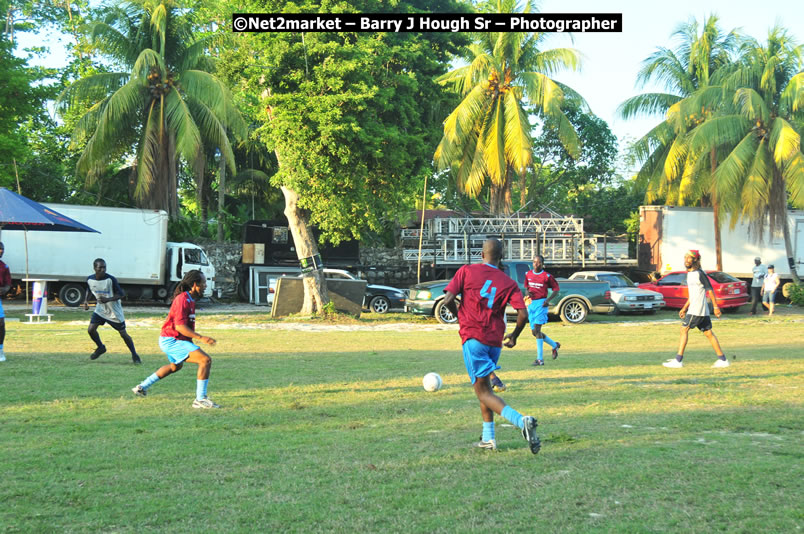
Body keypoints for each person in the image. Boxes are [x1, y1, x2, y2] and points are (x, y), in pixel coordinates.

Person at [442, 238, 541, 454]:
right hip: (494, 341)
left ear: (481, 255)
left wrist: (459, 316)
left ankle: (521, 421)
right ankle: (489, 438)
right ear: (501, 257)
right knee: (484, 387)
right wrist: (514, 335)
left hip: (473, 337)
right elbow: (523, 313)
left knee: (483, 392)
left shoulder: (467, 271)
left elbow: (448, 299)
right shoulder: (508, 282)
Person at [132, 270, 220, 408]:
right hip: (172, 339)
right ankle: (200, 399)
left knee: (174, 367)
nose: (206, 286)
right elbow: (180, 327)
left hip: (173, 339)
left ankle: (141, 387)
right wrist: (201, 338)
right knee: (205, 360)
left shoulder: (189, 299)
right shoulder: (182, 299)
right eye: (203, 283)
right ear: (195, 284)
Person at [663, 250, 729, 368]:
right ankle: (723, 360)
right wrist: (684, 308)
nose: (686, 260)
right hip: (697, 309)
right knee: (709, 333)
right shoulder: (690, 274)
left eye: (689, 258)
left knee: (684, 330)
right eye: (685, 257)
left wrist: (715, 307)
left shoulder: (700, 273)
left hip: (697, 310)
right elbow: (693, 294)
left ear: (695, 260)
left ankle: (678, 361)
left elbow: (710, 290)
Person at [83, 258, 141, 364]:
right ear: (94, 268)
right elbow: (89, 289)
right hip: (100, 310)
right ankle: (101, 348)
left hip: (114, 311)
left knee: (123, 334)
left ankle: (135, 355)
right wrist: (86, 301)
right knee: (91, 330)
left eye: (104, 267)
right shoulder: (90, 279)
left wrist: (108, 299)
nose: (103, 269)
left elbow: (121, 294)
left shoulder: (111, 279)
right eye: (100, 267)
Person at [523, 254, 560, 366]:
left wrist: (548, 300)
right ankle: (554, 345)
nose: (536, 264)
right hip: (531, 304)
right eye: (534, 262)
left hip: (541, 304)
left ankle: (540, 359)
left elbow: (556, 289)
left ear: (542, 264)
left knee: (538, 331)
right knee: (534, 332)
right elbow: (526, 288)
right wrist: (527, 293)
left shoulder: (547, 276)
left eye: (538, 262)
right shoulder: (528, 274)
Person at [0, 242, 11, 362]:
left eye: (2, 249)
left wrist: (4, 289)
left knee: (1, 324)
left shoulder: (4, 267)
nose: (1, 251)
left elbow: (8, 284)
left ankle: (0, 350)